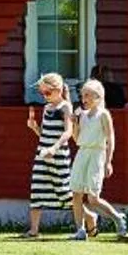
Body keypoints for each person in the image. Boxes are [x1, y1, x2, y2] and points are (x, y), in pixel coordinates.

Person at [69, 77, 127, 240]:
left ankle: (118, 217)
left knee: (93, 198)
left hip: (97, 154)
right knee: (76, 194)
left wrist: (108, 161)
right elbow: (77, 139)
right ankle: (80, 230)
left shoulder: (103, 114)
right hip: (83, 153)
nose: (84, 99)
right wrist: (75, 124)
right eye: (83, 95)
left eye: (88, 95)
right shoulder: (83, 115)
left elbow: (110, 139)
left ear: (98, 97)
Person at [24, 72, 77, 239]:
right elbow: (46, 134)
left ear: (58, 90)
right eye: (42, 94)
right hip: (43, 153)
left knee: (65, 192)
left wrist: (54, 148)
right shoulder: (47, 108)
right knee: (37, 189)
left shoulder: (65, 107)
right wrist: (34, 128)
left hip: (58, 155)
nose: (45, 97)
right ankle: (34, 230)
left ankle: (88, 220)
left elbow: (68, 132)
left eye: (48, 93)